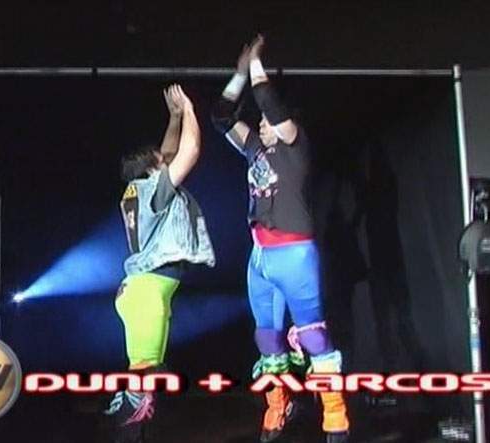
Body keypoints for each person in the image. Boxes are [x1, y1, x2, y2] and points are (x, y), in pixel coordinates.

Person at [211, 35, 349, 443]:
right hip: (261, 257)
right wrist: (239, 74)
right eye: (260, 122)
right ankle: (278, 403)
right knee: (266, 336)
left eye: (267, 121)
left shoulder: (295, 146)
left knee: (312, 334)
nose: (261, 124)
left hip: (293, 254)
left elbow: (270, 103)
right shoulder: (255, 148)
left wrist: (256, 65)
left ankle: (335, 413)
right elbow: (221, 116)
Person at [106, 84, 216, 443]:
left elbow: (168, 153)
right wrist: (191, 110)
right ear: (153, 166)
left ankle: (135, 431)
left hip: (145, 290)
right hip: (147, 292)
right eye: (159, 158)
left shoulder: (140, 189)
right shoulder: (155, 189)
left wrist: (174, 117)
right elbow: (190, 150)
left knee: (147, 378)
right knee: (142, 380)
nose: (164, 157)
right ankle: (126, 434)